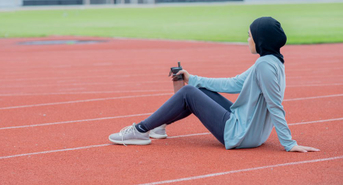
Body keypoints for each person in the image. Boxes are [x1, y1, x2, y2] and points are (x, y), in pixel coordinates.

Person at [108, 17, 320, 152]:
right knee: (195, 89)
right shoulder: (271, 61)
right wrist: (194, 78)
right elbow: (234, 83)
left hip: (241, 135)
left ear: (260, 40)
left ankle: (140, 130)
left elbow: (275, 105)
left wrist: (289, 143)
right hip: (250, 129)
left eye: (249, 36)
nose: (247, 39)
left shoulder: (264, 66)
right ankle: (159, 125)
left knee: (189, 93)